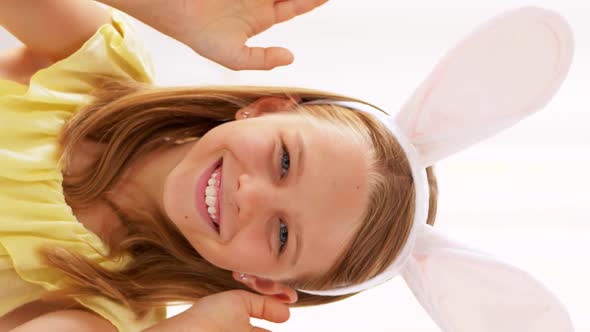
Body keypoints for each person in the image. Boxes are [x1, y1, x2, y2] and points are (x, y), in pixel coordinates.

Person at [0, 2, 576, 332]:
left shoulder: (108, 311)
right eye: (283, 160)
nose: (251, 196)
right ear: (266, 106)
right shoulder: (94, 64)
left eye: (280, 233)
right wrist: (175, 11)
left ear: (263, 283)